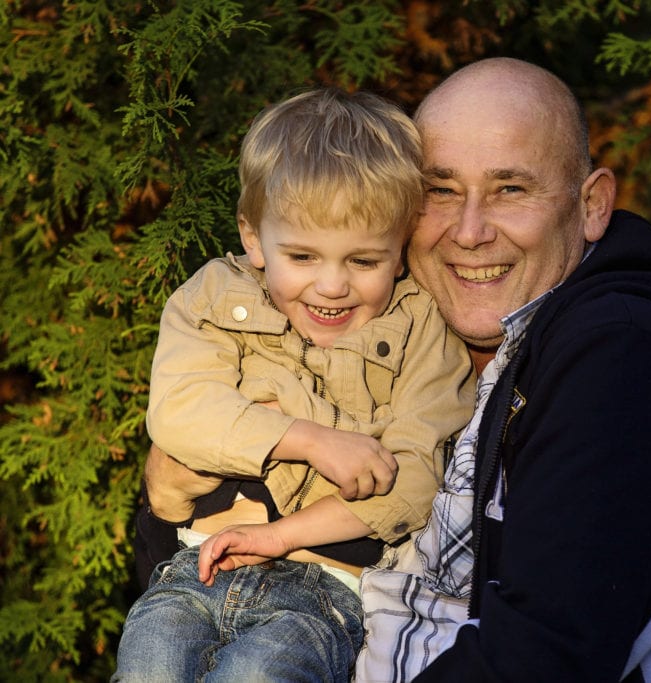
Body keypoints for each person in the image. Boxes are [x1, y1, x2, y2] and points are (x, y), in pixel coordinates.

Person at [199, 57, 651, 682]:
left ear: (592, 204)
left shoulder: (624, 360)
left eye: (509, 190)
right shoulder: (417, 341)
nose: (468, 232)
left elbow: (545, 656)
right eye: (441, 191)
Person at [113, 88, 475, 681]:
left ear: (401, 250)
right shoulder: (210, 299)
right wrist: (308, 440)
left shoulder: (420, 328)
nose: (331, 286)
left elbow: (412, 483)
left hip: (325, 591)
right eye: (303, 256)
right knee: (151, 662)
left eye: (363, 261)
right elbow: (181, 412)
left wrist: (280, 536)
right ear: (254, 238)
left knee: (255, 676)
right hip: (194, 566)